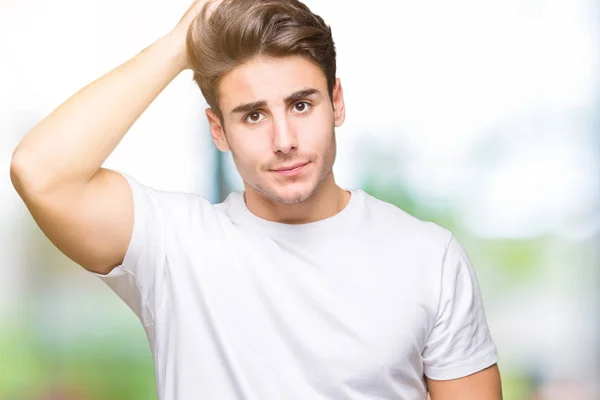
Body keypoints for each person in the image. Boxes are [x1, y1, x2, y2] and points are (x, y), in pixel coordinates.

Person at [9, 0, 502, 398]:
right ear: (218, 130)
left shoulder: (428, 257)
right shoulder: (172, 246)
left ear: (338, 103)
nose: (284, 139)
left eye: (301, 104)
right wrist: (180, 43)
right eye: (252, 116)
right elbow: (41, 172)